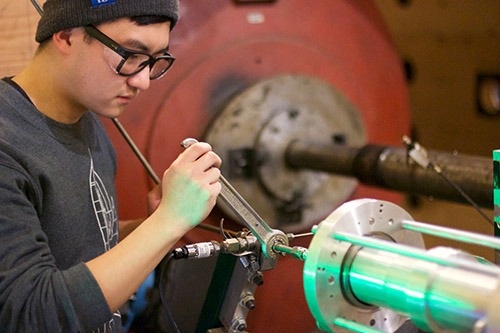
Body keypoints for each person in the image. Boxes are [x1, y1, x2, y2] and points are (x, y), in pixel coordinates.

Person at [0, 0, 222, 331]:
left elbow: (70, 247)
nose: (143, 81)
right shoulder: (8, 144)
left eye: (153, 61)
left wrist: (145, 229)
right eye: (129, 55)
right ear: (66, 35)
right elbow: (31, 313)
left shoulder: (88, 120)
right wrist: (167, 222)